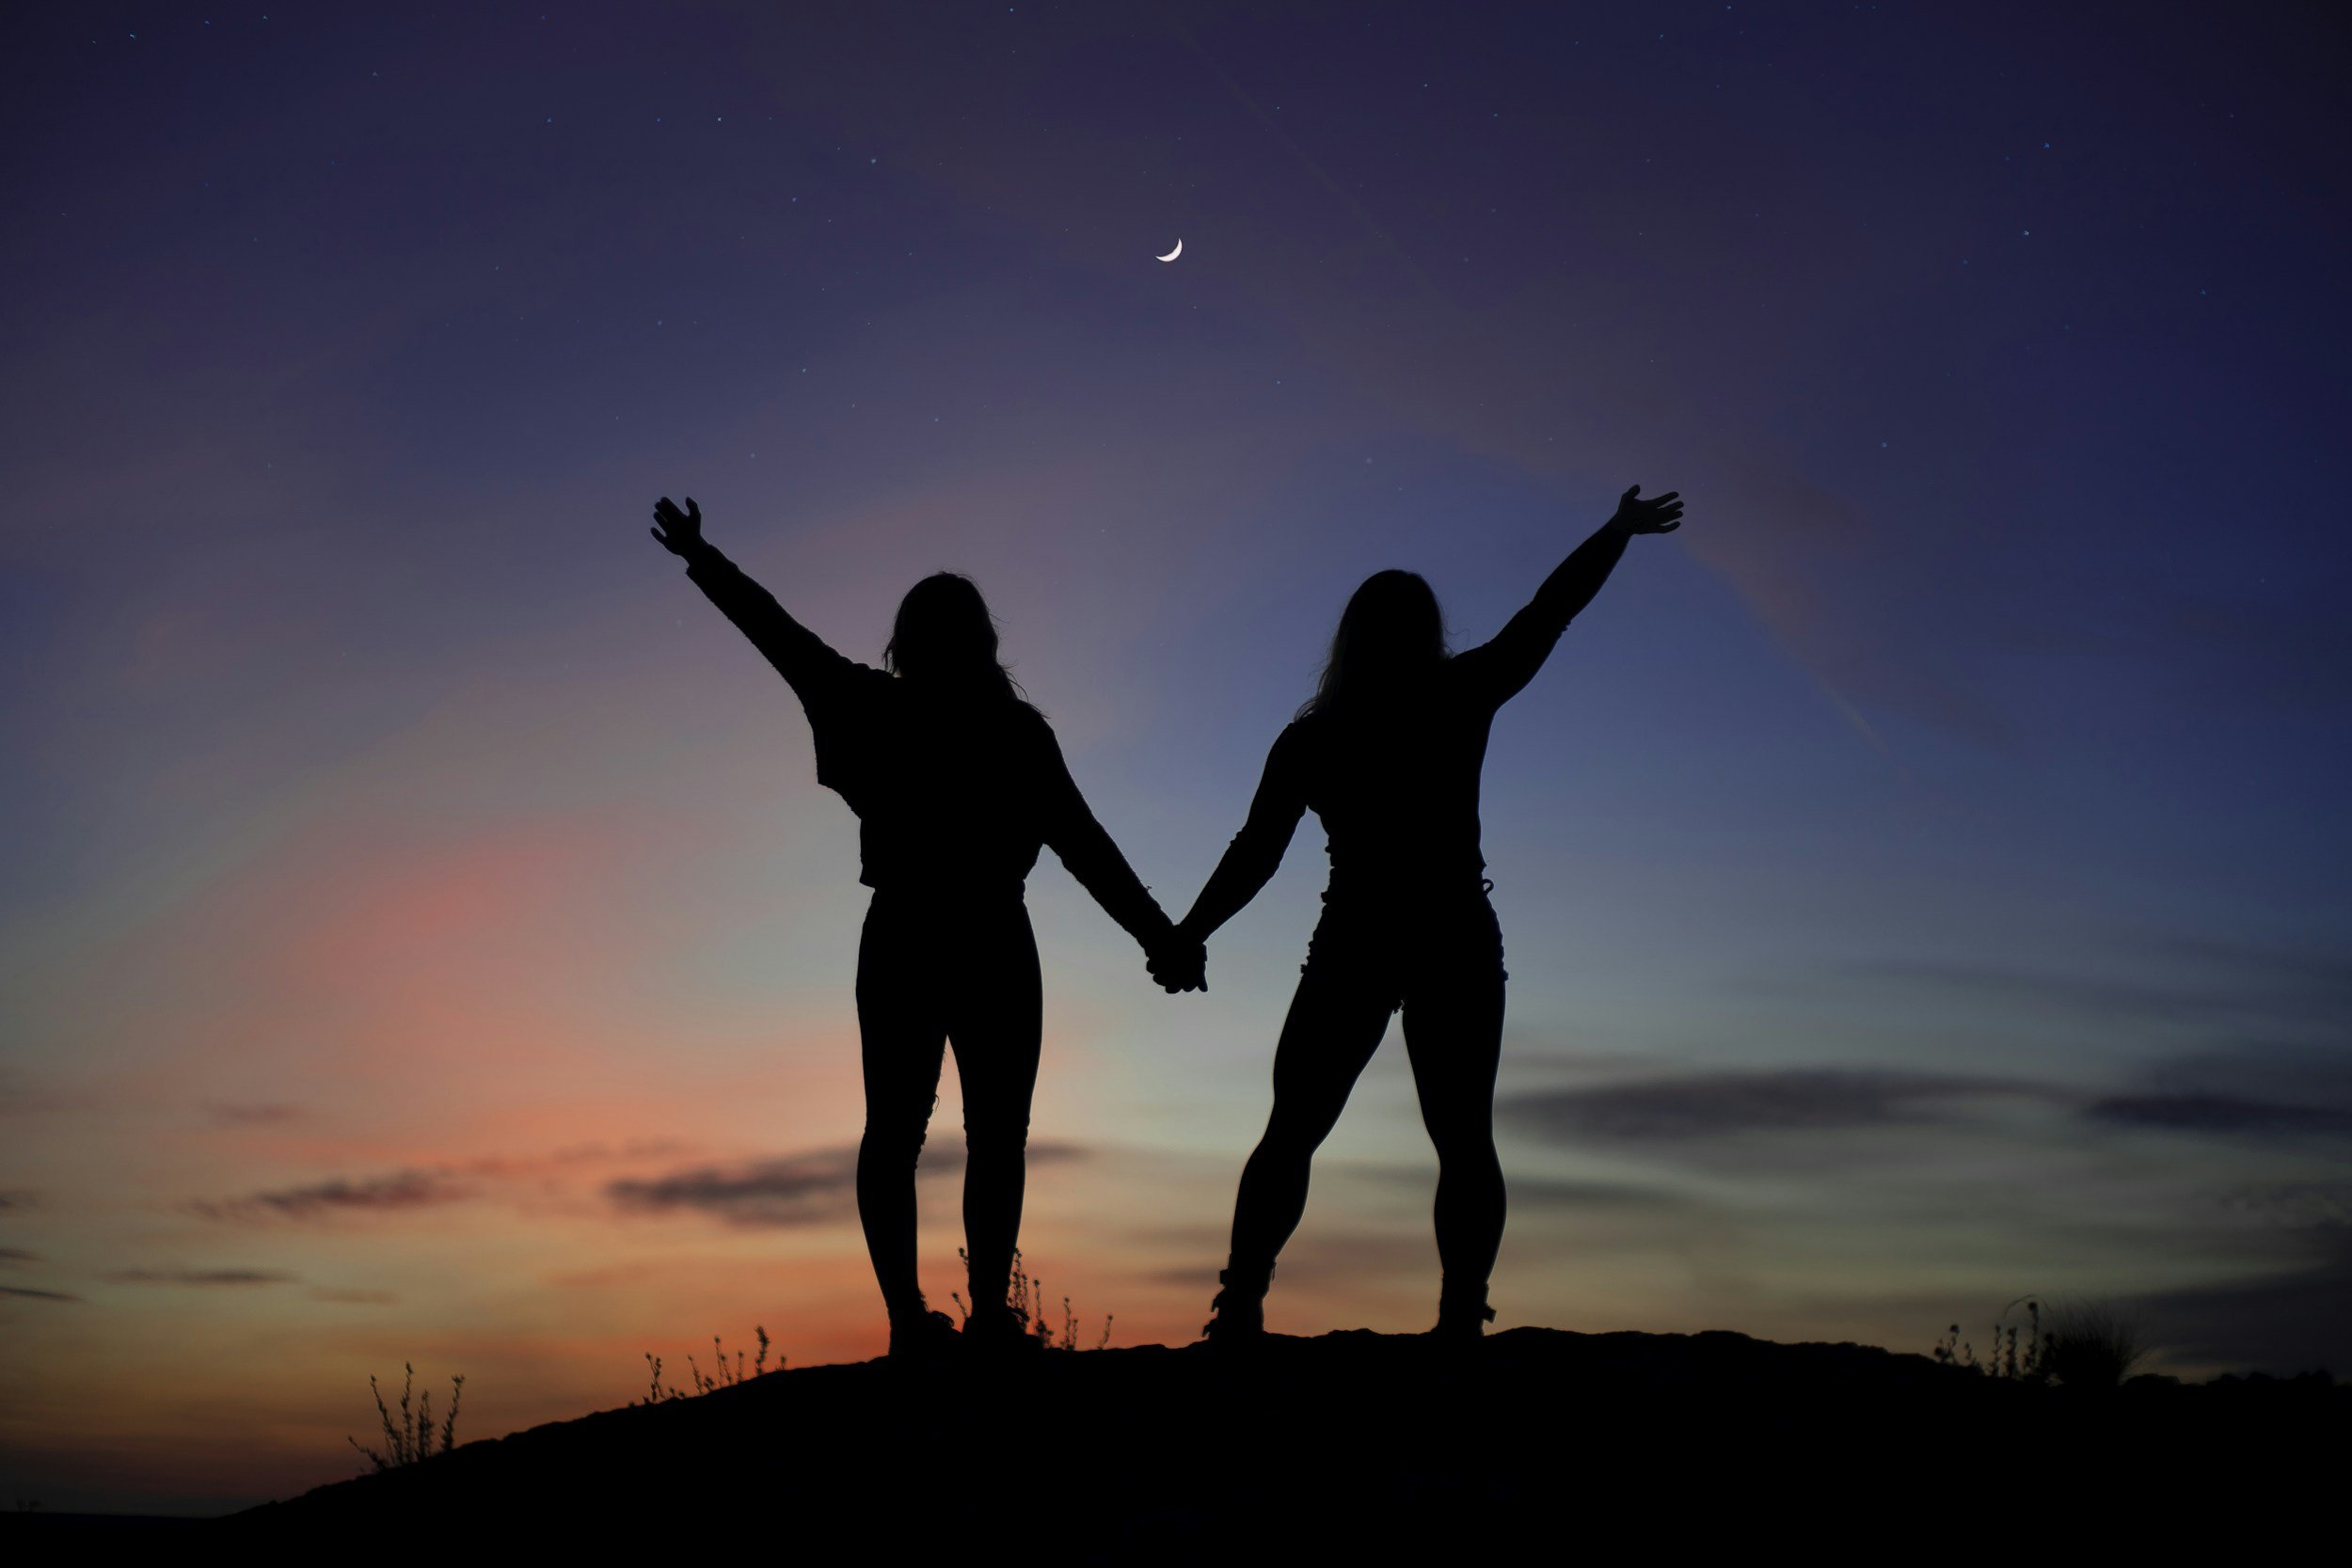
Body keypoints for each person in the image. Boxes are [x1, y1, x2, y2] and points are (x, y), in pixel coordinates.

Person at [651, 496, 1204, 1357]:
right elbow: (1085, 846)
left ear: (906, 642)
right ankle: (977, 1316)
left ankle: (917, 1321)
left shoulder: (887, 707)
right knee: (989, 1133)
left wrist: (702, 556)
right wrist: (1160, 937)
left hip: (912, 934)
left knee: (904, 1131)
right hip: (985, 938)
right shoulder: (1009, 731)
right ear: (984, 641)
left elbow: (777, 633)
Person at [1155, 484, 1685, 1341]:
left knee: (1299, 1129)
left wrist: (1188, 933)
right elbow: (1547, 614)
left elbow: (1255, 853)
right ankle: (1455, 1312)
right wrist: (1615, 533)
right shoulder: (1452, 695)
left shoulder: (1319, 735)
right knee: (1454, 1135)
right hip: (1441, 938)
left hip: (1367, 941)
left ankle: (1244, 1302)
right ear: (1423, 631)